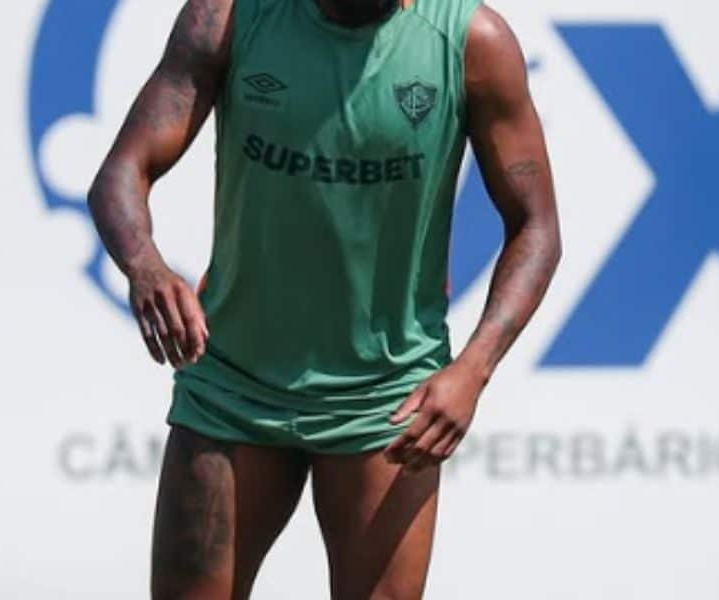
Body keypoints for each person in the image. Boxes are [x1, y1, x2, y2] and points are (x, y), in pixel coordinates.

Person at [87, 0, 560, 597]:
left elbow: (537, 227)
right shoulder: (231, 16)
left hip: (386, 399)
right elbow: (121, 172)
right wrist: (145, 267)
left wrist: (474, 369)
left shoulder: (472, 41)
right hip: (234, 384)